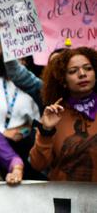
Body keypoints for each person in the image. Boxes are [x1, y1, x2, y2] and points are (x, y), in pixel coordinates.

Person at [29, 47, 97, 182]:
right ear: (63, 81)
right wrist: (46, 131)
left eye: (88, 68)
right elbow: (37, 164)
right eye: (73, 71)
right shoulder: (55, 115)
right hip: (66, 199)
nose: (82, 74)